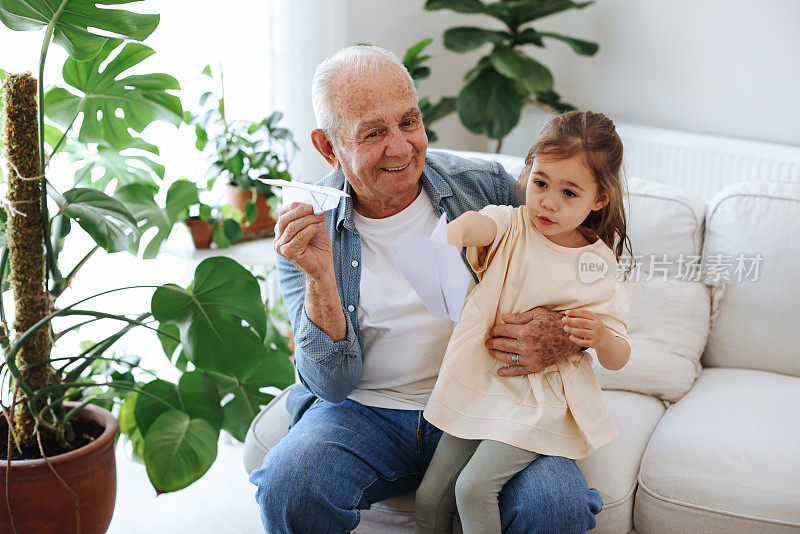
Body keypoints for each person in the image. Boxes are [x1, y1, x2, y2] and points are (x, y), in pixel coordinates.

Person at [249, 45, 603, 533]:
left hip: (488, 405)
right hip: (365, 414)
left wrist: (559, 333)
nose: (400, 146)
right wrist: (319, 279)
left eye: (409, 122)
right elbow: (330, 385)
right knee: (291, 485)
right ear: (328, 147)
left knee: (556, 504)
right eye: (373, 133)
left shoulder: (484, 188)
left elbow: (582, 266)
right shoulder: (306, 232)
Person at [414, 111, 632, 534]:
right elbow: (481, 223)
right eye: (540, 182)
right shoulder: (513, 225)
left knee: (473, 489)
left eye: (570, 192)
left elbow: (620, 354)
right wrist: (452, 234)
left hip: (538, 400)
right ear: (528, 173)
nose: (548, 201)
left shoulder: (595, 263)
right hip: (483, 381)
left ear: (599, 199)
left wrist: (601, 336)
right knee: (430, 495)